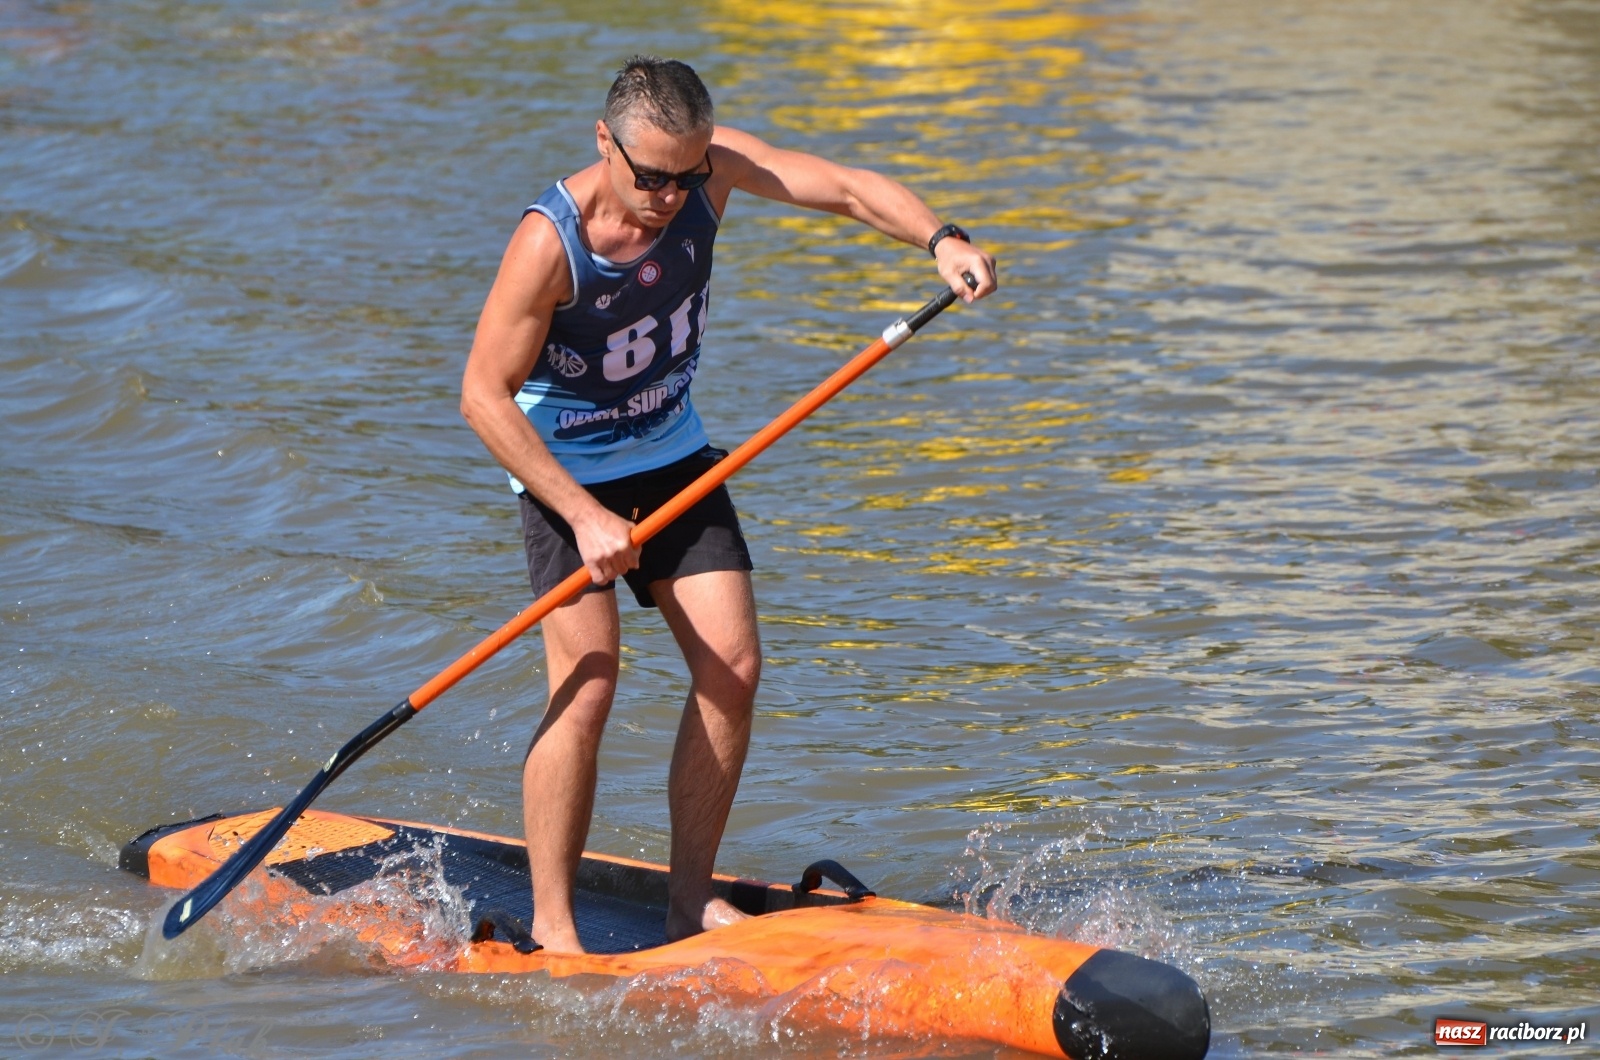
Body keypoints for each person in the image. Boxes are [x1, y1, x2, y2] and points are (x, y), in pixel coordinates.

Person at [460, 55, 996, 955]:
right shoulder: (550, 243)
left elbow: (843, 187)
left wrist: (940, 238)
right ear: (605, 143)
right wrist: (584, 516)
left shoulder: (710, 173)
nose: (670, 197)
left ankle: (689, 905)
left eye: (687, 174)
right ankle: (554, 930)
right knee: (589, 681)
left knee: (733, 668)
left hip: (674, 457)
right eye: (651, 178)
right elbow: (482, 395)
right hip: (567, 473)